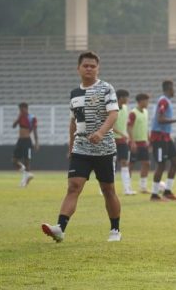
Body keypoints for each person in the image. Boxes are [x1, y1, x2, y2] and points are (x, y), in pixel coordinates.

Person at [41, 51, 122, 243]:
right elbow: (73, 122)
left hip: (105, 149)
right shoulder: (74, 94)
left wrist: (101, 133)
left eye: (93, 66)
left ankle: (115, 230)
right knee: (73, 187)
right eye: (85, 65)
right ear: (78, 68)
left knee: (108, 189)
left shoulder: (106, 89)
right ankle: (60, 228)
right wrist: (71, 146)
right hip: (81, 148)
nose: (89, 69)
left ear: (98, 68)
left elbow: (113, 115)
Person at [150, 80, 176, 201]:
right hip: (159, 137)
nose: (174, 91)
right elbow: (160, 119)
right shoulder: (163, 101)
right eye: (173, 88)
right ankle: (154, 194)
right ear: (169, 89)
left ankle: (167, 191)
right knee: (161, 164)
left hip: (165, 136)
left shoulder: (167, 101)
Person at [114, 89, 136, 195]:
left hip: (123, 141)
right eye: (126, 97)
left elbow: (126, 124)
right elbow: (109, 125)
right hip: (112, 140)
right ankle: (105, 188)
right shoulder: (112, 109)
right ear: (121, 98)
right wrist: (122, 133)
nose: (128, 99)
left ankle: (127, 189)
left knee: (124, 163)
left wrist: (130, 138)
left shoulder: (126, 108)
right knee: (111, 164)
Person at [128, 93, 151, 194]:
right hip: (135, 143)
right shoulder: (133, 113)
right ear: (140, 101)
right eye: (146, 101)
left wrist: (149, 139)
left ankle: (143, 186)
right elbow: (129, 127)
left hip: (143, 142)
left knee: (146, 163)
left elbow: (145, 127)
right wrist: (132, 141)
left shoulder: (146, 112)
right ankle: (127, 186)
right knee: (131, 164)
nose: (147, 103)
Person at [12, 102, 39, 187]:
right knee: (14, 160)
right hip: (20, 140)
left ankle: (25, 182)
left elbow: (35, 131)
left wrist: (36, 142)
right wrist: (18, 117)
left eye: (21, 109)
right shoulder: (20, 117)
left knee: (27, 161)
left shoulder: (32, 118)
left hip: (27, 141)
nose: (20, 111)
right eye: (19, 109)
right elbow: (13, 126)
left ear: (26, 108)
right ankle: (25, 173)